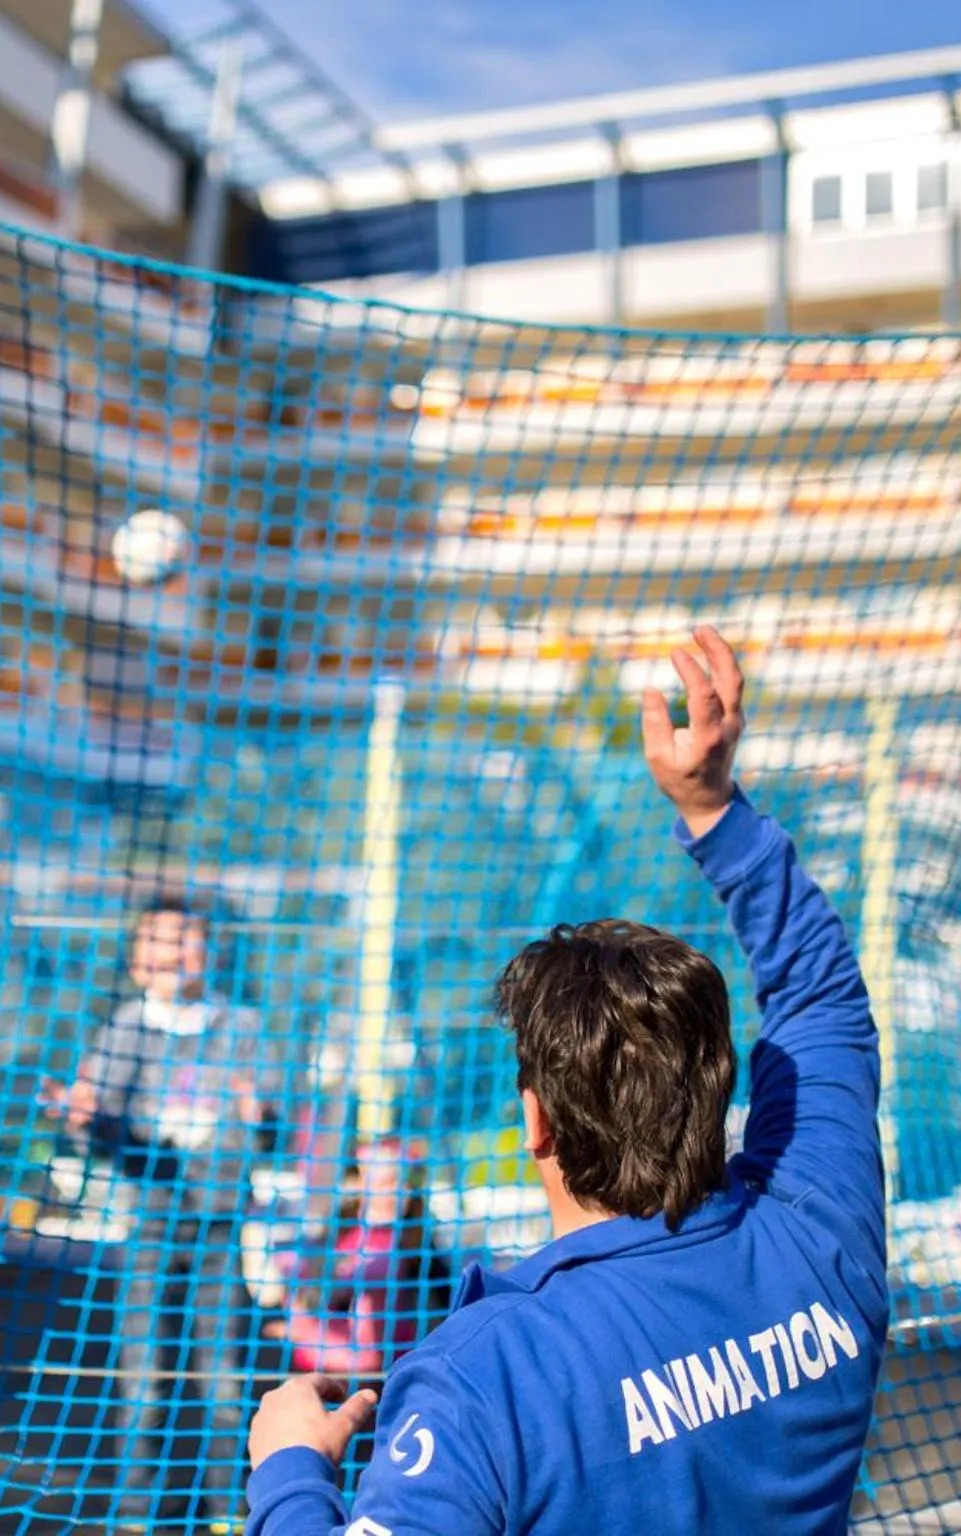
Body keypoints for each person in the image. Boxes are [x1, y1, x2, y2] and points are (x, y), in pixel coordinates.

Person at [244, 625, 887, 1535]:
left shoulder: (485, 1379)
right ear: (713, 1090)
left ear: (535, 1120)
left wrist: (290, 1472)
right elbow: (824, 1006)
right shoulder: (820, 1232)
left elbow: (825, 1007)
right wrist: (716, 811)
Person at [47, 900, 287, 1530]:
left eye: (186, 939)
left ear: (209, 953)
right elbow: (103, 1129)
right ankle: (138, 1513)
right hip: (151, 1221)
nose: (174, 953)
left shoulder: (238, 1026)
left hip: (218, 1225)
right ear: (137, 960)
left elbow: (271, 1129)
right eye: (159, 940)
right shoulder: (125, 1028)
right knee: (145, 1377)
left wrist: (261, 1117)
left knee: (223, 1379)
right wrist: (83, 1118)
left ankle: (228, 1511)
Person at [280, 1138, 452, 1378]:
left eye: (407, 1183)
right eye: (390, 1182)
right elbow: (307, 1298)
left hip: (384, 1368)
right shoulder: (340, 1231)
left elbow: (445, 1299)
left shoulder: (415, 1242)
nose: (402, 1191)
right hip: (324, 1363)